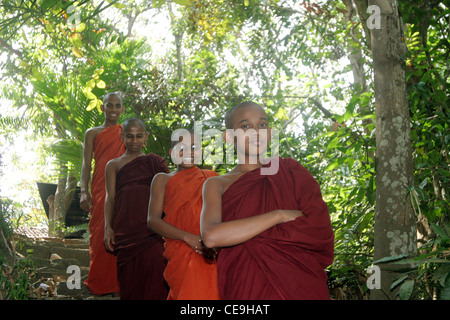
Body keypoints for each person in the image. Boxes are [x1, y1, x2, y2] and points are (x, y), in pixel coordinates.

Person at [200, 101, 334, 300]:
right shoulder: (217, 184)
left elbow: (319, 231)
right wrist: (277, 215)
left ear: (270, 133)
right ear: (228, 137)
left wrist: (241, 232)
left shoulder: (290, 172)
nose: (256, 132)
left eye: (262, 125)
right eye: (245, 126)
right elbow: (211, 237)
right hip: (246, 283)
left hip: (300, 282)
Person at [147, 129, 221, 300]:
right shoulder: (162, 179)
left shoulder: (211, 178)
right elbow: (153, 220)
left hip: (207, 247)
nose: (188, 152)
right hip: (180, 246)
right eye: (182, 147)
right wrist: (188, 238)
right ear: (172, 153)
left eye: (194, 147)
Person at [104, 117, 169, 300]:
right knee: (129, 279)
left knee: (155, 275)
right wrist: (108, 227)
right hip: (125, 227)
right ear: (122, 136)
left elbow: (169, 192)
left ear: (145, 137)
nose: (134, 141)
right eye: (129, 136)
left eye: (139, 136)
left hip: (151, 228)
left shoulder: (154, 162)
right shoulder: (113, 165)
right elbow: (110, 197)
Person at [80, 92, 125, 296]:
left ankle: (118, 282)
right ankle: (99, 282)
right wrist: (83, 191)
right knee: (99, 231)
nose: (113, 110)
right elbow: (85, 163)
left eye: (117, 106)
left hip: (123, 186)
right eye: (109, 105)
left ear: (122, 109)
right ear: (102, 108)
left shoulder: (126, 132)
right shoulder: (93, 133)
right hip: (99, 187)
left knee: (121, 230)